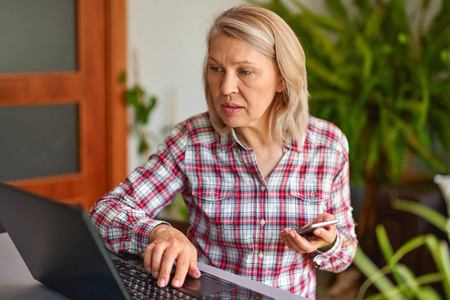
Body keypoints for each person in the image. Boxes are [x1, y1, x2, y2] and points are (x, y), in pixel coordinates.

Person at [90, 4, 358, 298]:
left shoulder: (328, 146)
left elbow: (344, 254)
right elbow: (106, 213)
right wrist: (159, 232)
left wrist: (329, 242)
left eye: (245, 71)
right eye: (216, 69)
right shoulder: (191, 141)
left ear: (282, 77)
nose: (226, 87)